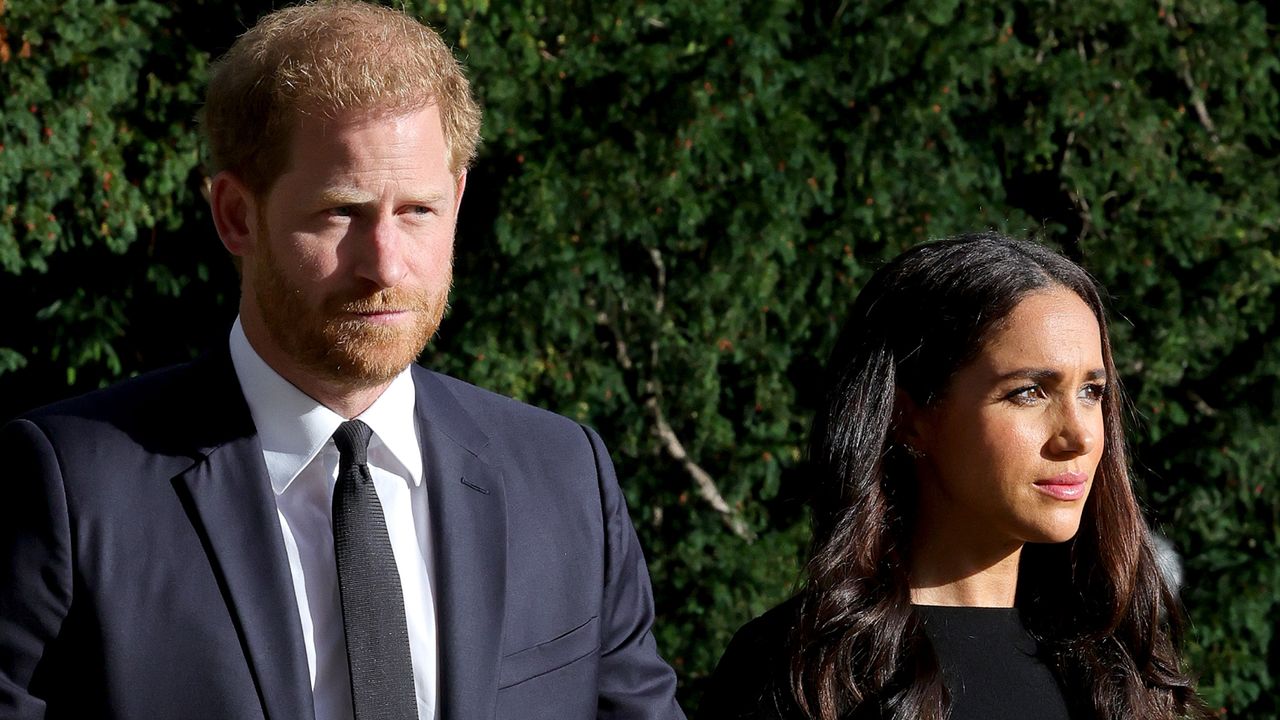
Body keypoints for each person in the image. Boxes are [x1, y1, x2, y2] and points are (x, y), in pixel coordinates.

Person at [0, 3, 684, 719]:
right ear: (236, 215)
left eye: (417, 211)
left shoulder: (564, 476)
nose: (385, 265)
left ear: (456, 200)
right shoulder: (72, 489)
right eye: (340, 212)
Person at [701, 233, 1209, 720]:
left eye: (1092, 392)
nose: (1078, 436)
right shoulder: (804, 671)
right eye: (1029, 392)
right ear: (911, 417)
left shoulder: (1117, 666)